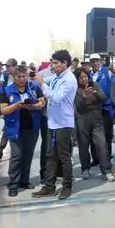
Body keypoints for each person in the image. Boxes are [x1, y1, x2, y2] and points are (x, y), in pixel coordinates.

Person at [32, 50, 77, 200]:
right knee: (50, 156)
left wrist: (43, 84)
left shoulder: (69, 79)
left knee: (64, 157)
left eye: (56, 63)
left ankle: (67, 186)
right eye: (53, 62)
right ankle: (49, 186)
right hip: (53, 122)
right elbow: (44, 79)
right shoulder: (58, 76)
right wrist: (34, 76)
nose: (53, 65)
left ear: (65, 63)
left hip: (64, 123)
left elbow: (56, 98)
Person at [1, 68, 45, 196]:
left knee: (28, 154)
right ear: (14, 78)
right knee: (16, 156)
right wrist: (17, 105)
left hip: (32, 127)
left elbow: (42, 102)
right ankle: (13, 183)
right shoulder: (7, 90)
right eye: (18, 77)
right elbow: (3, 110)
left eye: (23, 76)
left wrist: (35, 105)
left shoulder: (34, 87)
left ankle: (25, 180)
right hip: (15, 128)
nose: (21, 79)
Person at [73, 67, 115, 182]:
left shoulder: (95, 85)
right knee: (83, 145)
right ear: (76, 79)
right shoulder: (74, 89)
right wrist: (84, 96)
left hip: (97, 119)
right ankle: (85, 168)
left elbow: (104, 98)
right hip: (82, 119)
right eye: (81, 77)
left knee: (101, 144)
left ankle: (106, 170)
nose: (84, 79)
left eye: (85, 77)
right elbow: (77, 105)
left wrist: (95, 93)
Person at [88, 53, 115, 164]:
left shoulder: (107, 72)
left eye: (97, 61)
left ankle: (107, 156)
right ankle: (95, 158)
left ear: (101, 61)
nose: (95, 63)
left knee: (106, 135)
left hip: (105, 108)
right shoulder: (87, 74)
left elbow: (113, 87)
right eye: (93, 61)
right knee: (92, 135)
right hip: (91, 109)